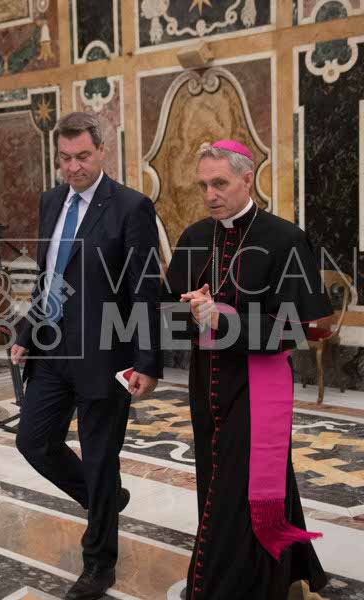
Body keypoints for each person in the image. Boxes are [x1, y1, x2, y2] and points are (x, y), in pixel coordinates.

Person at [162, 140, 333, 600]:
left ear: (247, 178)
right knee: (219, 481)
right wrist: (189, 312)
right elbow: (166, 317)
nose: (210, 195)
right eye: (203, 185)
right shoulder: (194, 237)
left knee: (236, 487)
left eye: (219, 183)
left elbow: (297, 329)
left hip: (257, 388)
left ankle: (225, 588)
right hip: (206, 384)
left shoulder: (285, 239)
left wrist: (222, 319)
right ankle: (283, 572)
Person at [11, 112, 162, 600]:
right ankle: (106, 500)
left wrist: (147, 360)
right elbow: (50, 275)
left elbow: (144, 288)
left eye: (82, 156)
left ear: (101, 152)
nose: (73, 167)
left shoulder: (131, 207)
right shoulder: (51, 201)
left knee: (100, 459)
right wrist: (27, 331)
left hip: (106, 354)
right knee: (34, 442)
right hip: (53, 351)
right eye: (65, 158)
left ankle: (99, 565)